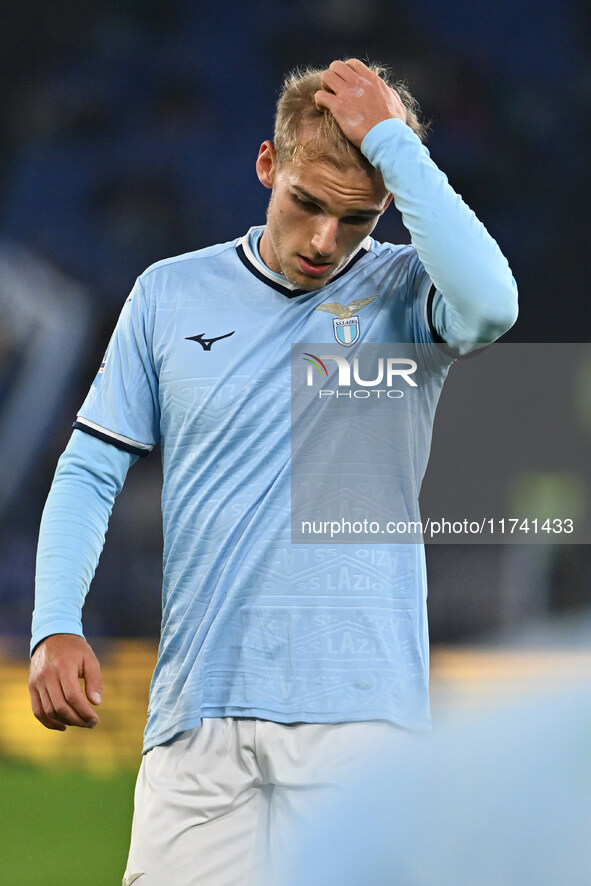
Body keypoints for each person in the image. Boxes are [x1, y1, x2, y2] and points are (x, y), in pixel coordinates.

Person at [29, 59, 518, 885]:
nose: (326, 241)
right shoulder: (168, 295)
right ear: (267, 165)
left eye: (356, 220)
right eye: (307, 204)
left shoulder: (405, 292)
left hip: (361, 720)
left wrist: (393, 144)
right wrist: (54, 620)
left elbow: (492, 304)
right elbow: (88, 470)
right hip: (197, 719)